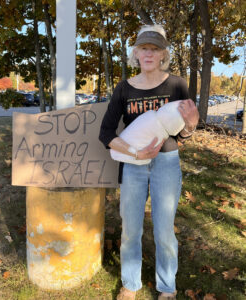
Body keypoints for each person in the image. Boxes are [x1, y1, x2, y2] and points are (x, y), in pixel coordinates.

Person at [99, 24, 199, 300]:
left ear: (163, 54)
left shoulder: (176, 84)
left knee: (164, 229)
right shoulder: (124, 89)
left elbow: (184, 132)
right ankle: (130, 284)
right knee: (130, 227)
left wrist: (191, 126)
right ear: (136, 52)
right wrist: (134, 153)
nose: (149, 53)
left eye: (154, 49)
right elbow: (106, 133)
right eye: (144, 48)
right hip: (133, 165)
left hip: (166, 162)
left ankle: (167, 287)